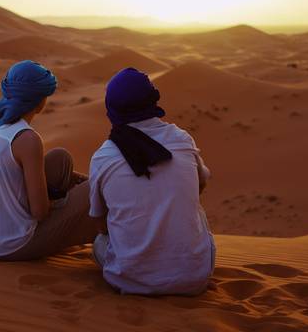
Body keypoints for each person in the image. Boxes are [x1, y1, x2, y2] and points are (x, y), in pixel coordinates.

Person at [89, 67, 215, 295]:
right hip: (194, 280)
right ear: (152, 99)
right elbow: (202, 182)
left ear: (111, 107)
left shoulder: (103, 156)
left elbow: (99, 225)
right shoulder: (182, 139)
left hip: (129, 280)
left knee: (99, 243)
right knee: (198, 211)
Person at [0, 60, 96, 261]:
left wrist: (78, 183)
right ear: (40, 101)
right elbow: (40, 212)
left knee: (60, 160)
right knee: (98, 189)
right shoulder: (27, 139)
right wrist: (68, 201)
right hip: (15, 244)